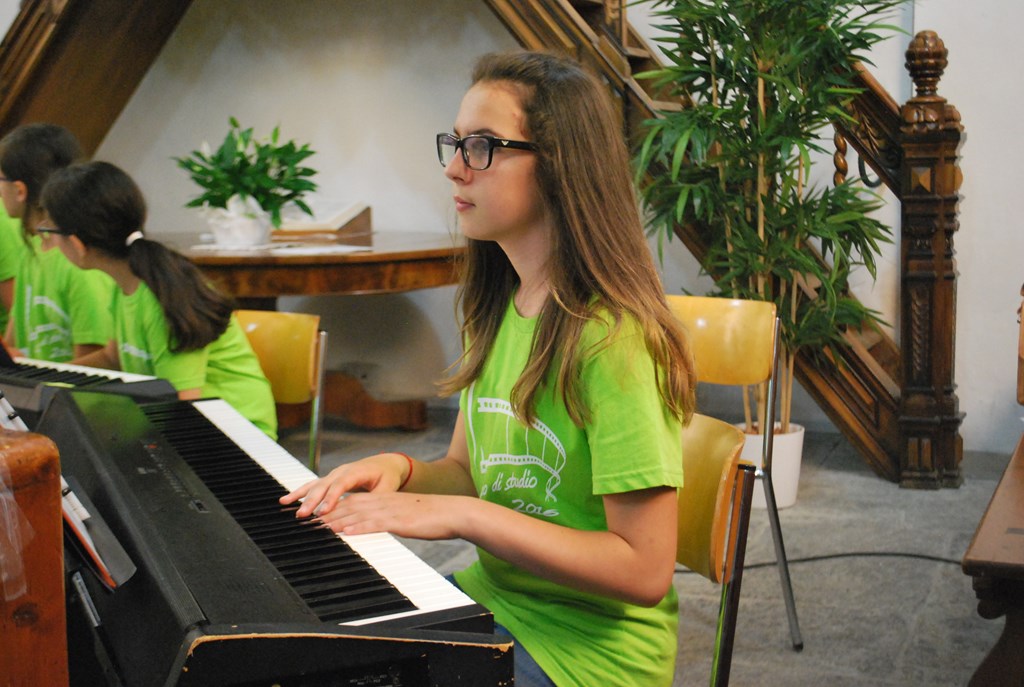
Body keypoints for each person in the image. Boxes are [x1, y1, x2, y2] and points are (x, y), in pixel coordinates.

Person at [281, 51, 697, 687]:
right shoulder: (500, 306)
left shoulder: (613, 340)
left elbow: (643, 571)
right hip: (496, 601)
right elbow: (469, 474)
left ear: (560, 166)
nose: (454, 168)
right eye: (454, 143)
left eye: (481, 147)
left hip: (585, 656)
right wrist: (401, 470)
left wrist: (465, 518)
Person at [40, 160, 278, 440]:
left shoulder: (164, 298)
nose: (48, 241)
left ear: (77, 245)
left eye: (50, 231)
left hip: (239, 436)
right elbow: (114, 356)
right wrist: (44, 378)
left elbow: (182, 409)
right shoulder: (127, 280)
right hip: (193, 425)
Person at [0, 123, 116, 362]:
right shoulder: (33, 247)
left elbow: (91, 368)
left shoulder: (79, 261)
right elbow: (13, 339)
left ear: (20, 190)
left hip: (63, 386)